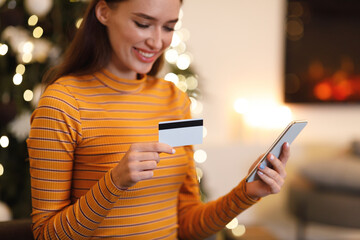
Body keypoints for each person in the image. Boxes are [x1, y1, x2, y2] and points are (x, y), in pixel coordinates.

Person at [27, 0, 290, 239]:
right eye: (143, 24)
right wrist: (114, 182)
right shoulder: (62, 104)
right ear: (104, 12)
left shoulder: (174, 100)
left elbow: (187, 223)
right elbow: (46, 235)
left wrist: (245, 194)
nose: (156, 41)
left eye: (168, 27)